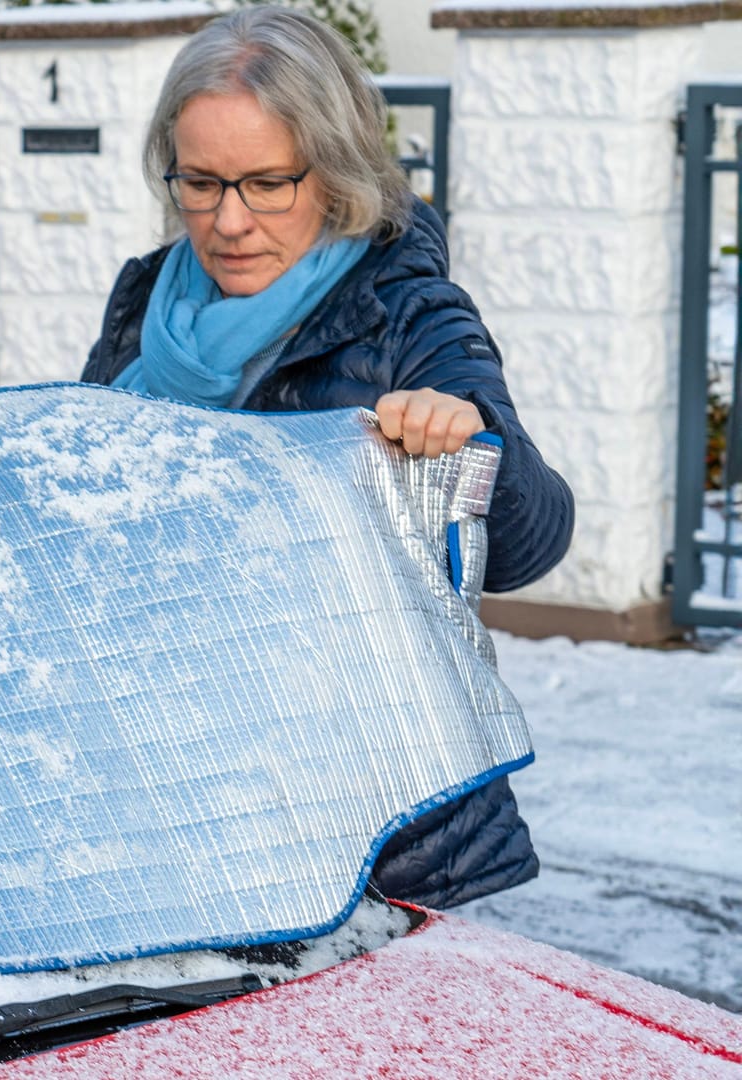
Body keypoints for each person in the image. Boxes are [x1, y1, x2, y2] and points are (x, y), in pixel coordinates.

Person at [81, 6, 574, 909]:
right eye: (201, 181)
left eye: (267, 183)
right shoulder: (147, 295)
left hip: (366, 835)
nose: (228, 221)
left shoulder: (405, 310)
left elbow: (536, 538)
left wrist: (464, 435)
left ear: (336, 170)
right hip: (170, 801)